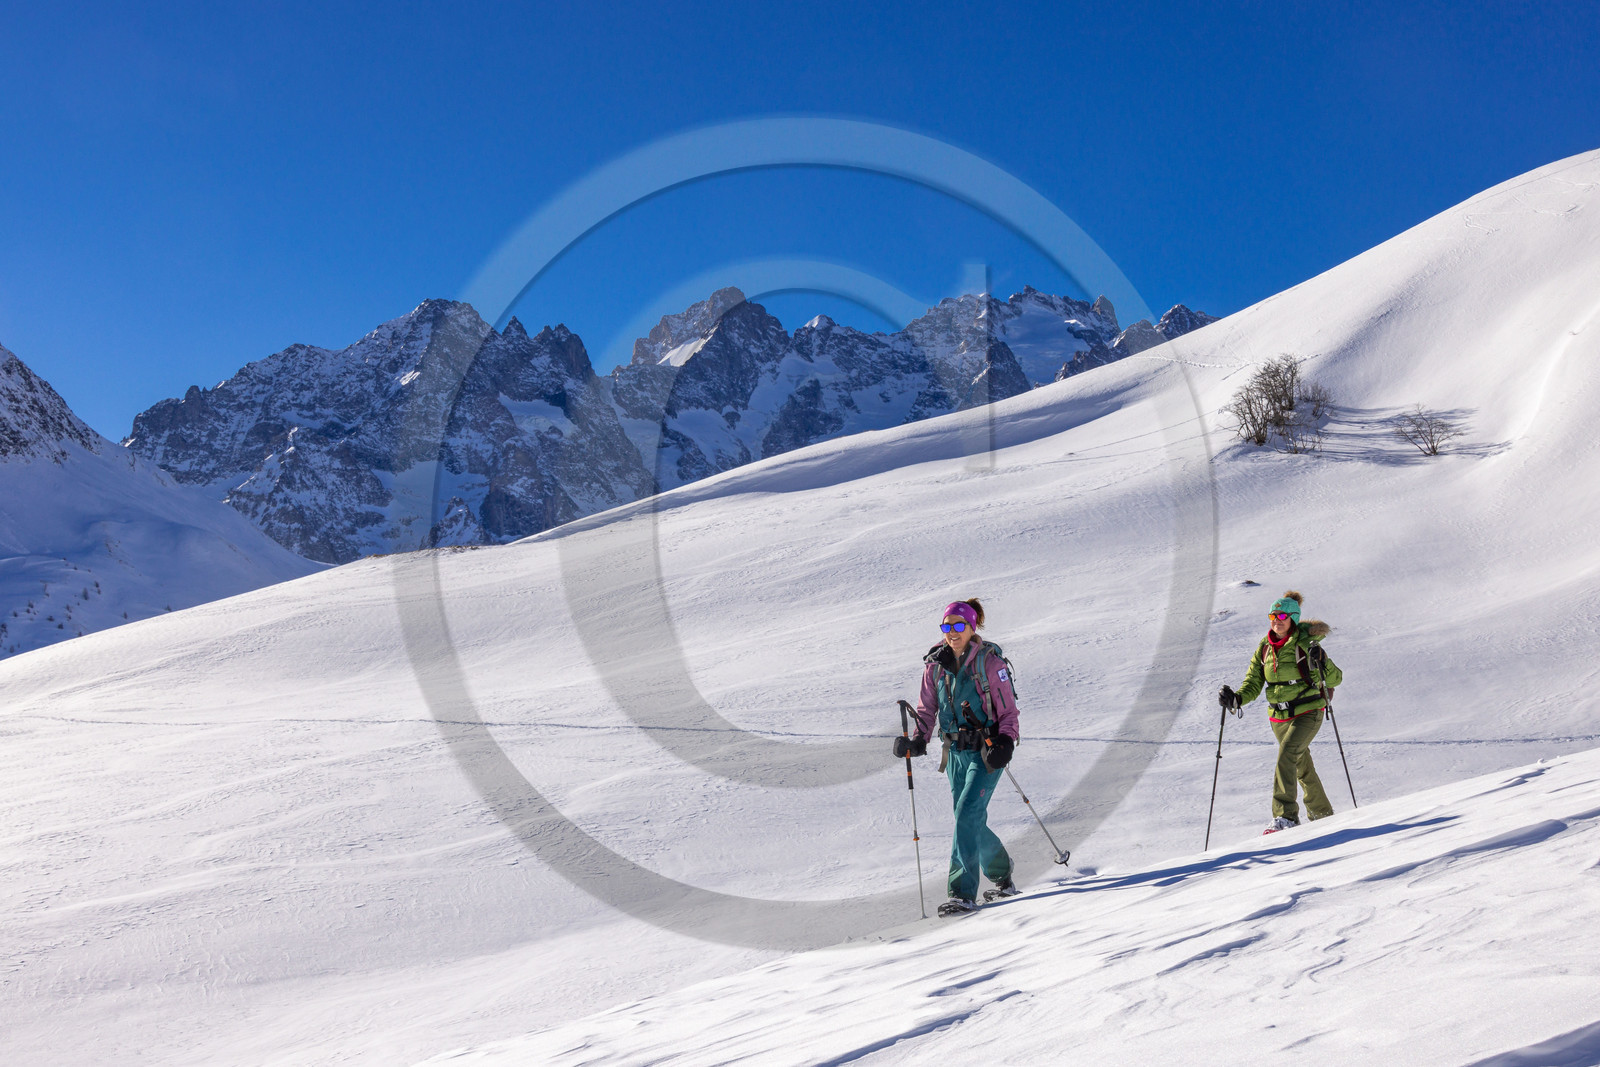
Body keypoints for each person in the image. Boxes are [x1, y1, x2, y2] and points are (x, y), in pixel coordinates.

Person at [894, 598, 1021, 916]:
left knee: (966, 813)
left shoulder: (989, 664)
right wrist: (916, 741)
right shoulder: (934, 664)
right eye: (946, 626)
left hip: (987, 750)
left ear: (971, 626)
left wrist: (1006, 741)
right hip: (954, 753)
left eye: (958, 626)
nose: (952, 632)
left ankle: (962, 893)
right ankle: (1002, 875)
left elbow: (1008, 711)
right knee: (969, 819)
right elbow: (927, 709)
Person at [1219, 590, 1343, 834]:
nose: (1276, 620)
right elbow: (1253, 681)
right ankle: (1323, 814)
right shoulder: (1264, 646)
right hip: (1279, 716)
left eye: (1282, 615)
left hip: (1308, 710)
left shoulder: (1307, 644)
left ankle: (1285, 816)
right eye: (1272, 615)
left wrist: (1323, 660)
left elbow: (1335, 679)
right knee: (1300, 765)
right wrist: (1237, 699)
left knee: (1287, 755)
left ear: (1293, 619)